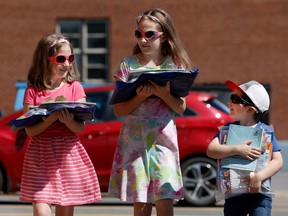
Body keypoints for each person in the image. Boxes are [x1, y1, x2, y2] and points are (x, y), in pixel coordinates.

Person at [108, 8, 193, 216]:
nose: (143, 40)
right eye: (139, 34)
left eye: (149, 34)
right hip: (135, 139)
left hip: (163, 138)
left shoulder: (175, 64)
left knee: (165, 200)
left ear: (163, 36)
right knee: (141, 202)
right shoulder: (127, 65)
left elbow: (180, 107)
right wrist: (140, 95)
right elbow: (119, 109)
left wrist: (164, 94)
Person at [19, 33, 101, 216]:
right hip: (40, 153)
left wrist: (68, 120)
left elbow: (80, 128)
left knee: (65, 211)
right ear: (45, 60)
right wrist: (49, 120)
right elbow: (29, 130)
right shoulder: (33, 90)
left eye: (70, 58)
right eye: (61, 58)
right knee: (41, 210)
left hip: (67, 152)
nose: (67, 63)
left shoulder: (75, 87)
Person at [206, 80, 283, 216]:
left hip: (260, 195)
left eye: (235, 99)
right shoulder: (227, 130)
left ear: (250, 109)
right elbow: (211, 150)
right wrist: (237, 149)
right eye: (231, 97)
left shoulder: (265, 132)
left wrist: (259, 177)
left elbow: (278, 161)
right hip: (233, 195)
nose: (229, 102)